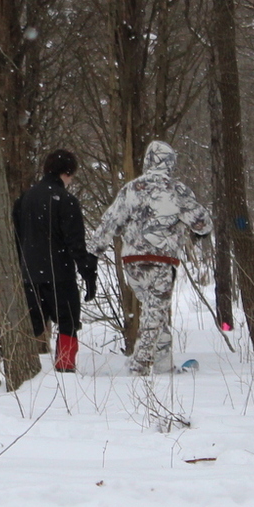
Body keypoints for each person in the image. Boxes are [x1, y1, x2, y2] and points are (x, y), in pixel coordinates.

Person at [86, 141, 213, 375]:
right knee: (155, 312)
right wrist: (196, 230)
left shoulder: (131, 189)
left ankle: (164, 367)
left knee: (155, 311)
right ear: (170, 163)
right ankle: (140, 364)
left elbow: (110, 222)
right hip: (161, 260)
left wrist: (93, 253)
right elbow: (203, 224)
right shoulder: (177, 190)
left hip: (132, 263)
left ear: (147, 161)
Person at [12, 149, 98, 373]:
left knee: (30, 324)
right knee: (68, 322)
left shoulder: (24, 199)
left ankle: (3, 357)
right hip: (60, 275)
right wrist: (88, 274)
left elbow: (17, 238)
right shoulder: (66, 201)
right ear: (67, 173)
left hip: (30, 274)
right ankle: (65, 366)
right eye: (71, 176)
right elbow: (75, 243)